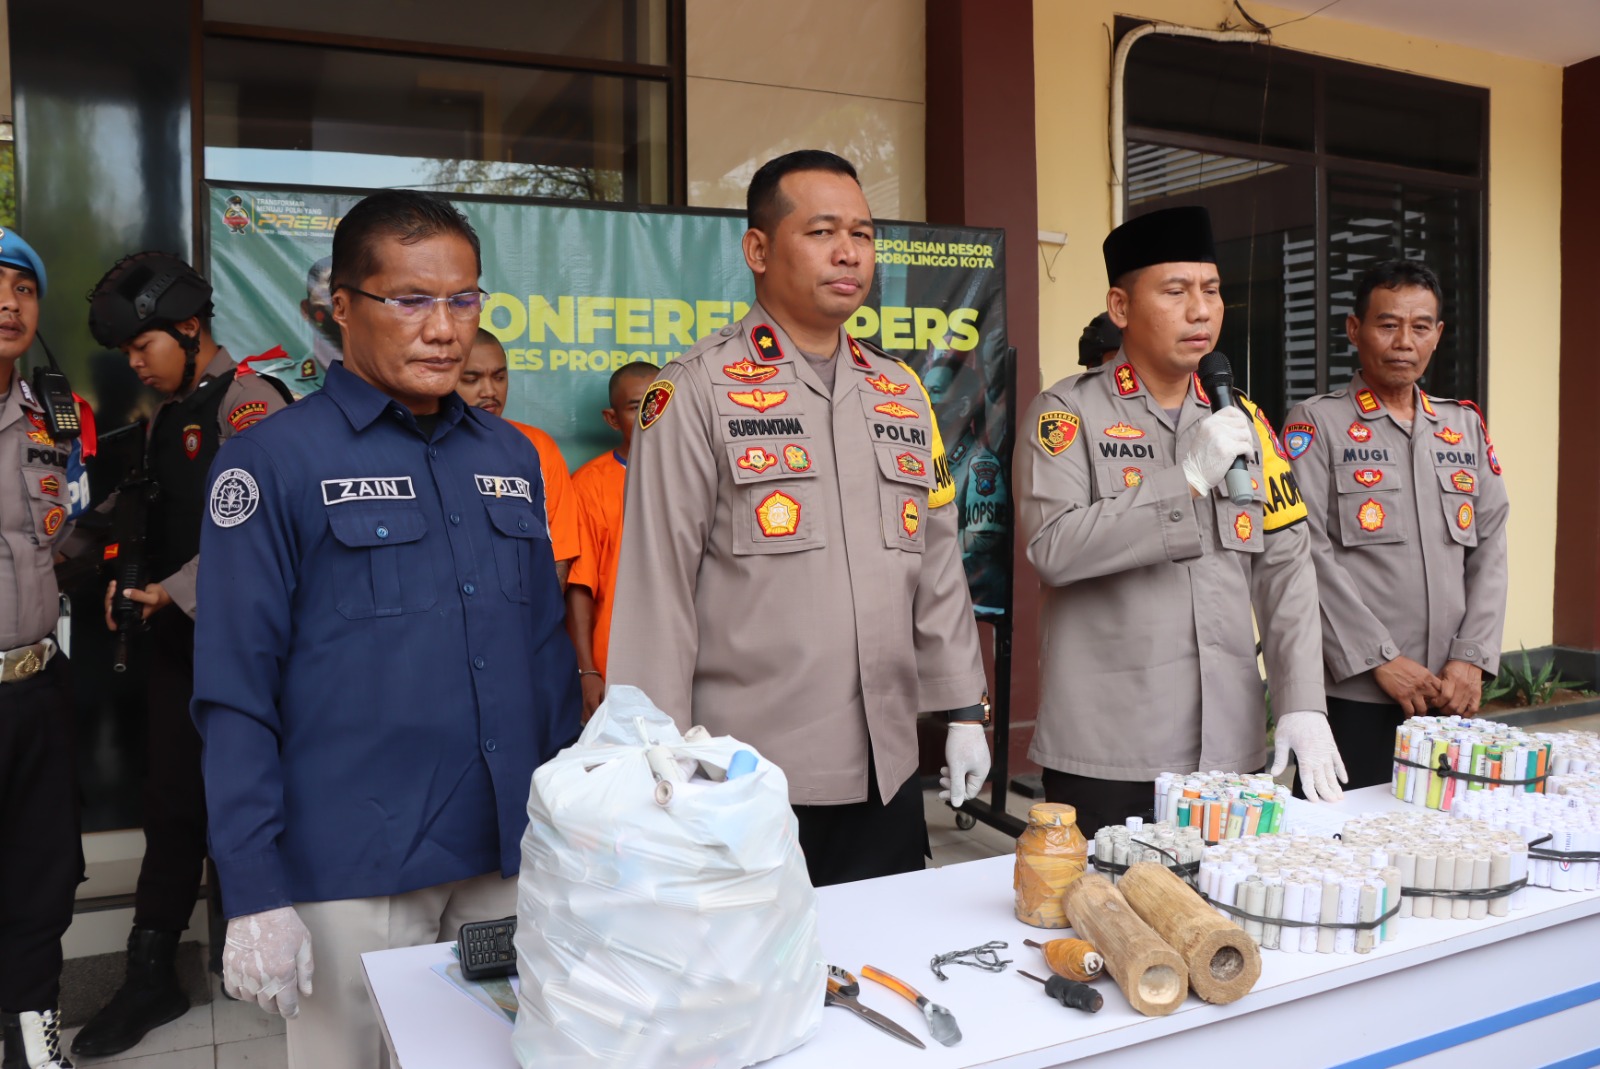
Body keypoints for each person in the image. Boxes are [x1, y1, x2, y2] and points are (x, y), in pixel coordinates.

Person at [190, 190, 580, 1069]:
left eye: (464, 299)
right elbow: (234, 685)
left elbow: (545, 658)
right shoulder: (273, 460)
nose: (443, 328)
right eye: (411, 300)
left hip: (505, 855)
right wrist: (252, 887)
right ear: (343, 308)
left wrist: (572, 829)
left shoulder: (510, 457)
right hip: (353, 864)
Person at [607, 150, 990, 887]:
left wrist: (964, 710)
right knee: (754, 993)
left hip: (888, 771)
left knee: (885, 969)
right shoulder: (694, 390)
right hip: (744, 776)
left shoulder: (900, 392)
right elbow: (658, 588)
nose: (849, 251)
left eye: (864, 233)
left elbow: (936, 563)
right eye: (821, 231)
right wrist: (657, 756)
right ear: (758, 249)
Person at [1014, 206, 1346, 838]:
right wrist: (1185, 481)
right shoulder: (1066, 414)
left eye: (1212, 291)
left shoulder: (1241, 420)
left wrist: (1302, 702)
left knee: (1228, 928)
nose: (1201, 310)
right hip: (1112, 749)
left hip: (1231, 745)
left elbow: (1285, 568)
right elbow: (1052, 548)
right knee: (1110, 926)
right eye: (1175, 291)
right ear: (1120, 306)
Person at [71, 253, 292, 1059]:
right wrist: (125, 577)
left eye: (142, 346)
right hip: (178, 650)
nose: (134, 363)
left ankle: (270, 952)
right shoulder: (171, 414)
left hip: (248, 652)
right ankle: (152, 972)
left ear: (190, 328)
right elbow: (156, 513)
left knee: (255, 803)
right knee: (170, 807)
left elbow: (265, 529)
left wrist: (175, 589)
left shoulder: (251, 404)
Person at [1283, 260, 1509, 789]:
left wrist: (1470, 659)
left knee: (1441, 845)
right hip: (1355, 691)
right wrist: (1377, 660)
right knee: (1344, 847)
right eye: (1388, 325)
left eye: (1421, 326)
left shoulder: (1463, 427)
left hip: (1448, 692)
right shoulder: (1317, 423)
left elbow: (1491, 547)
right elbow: (1304, 549)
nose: (1404, 341)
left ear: (1438, 335)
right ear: (1354, 330)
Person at [0, 230, 84, 1069]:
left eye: (22, 288)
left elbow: (64, 531)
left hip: (37, 683)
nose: (8, 302)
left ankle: (32, 1043)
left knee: (42, 879)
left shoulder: (52, 418)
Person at [454, 327, 580, 585]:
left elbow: (558, 557)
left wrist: (537, 623)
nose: (489, 391)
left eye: (499, 377)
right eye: (471, 379)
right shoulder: (422, 446)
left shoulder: (536, 446)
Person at [565, 361, 655, 717]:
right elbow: (579, 587)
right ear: (612, 418)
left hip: (696, 658)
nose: (652, 414)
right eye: (636, 406)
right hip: (616, 662)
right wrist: (587, 670)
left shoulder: (705, 475)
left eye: (659, 402)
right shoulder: (589, 484)